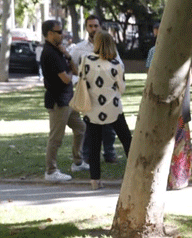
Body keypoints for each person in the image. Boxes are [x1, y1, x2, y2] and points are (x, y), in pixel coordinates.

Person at [79, 31, 132, 190]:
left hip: (92, 108)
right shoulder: (116, 64)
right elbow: (121, 88)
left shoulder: (86, 60)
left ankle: (95, 180)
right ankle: (134, 174)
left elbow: (82, 80)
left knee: (94, 144)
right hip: (113, 108)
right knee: (127, 140)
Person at [145, 21, 192, 190]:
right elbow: (190, 78)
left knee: (161, 140)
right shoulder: (182, 49)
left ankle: (163, 179)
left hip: (162, 102)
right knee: (180, 140)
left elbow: (150, 77)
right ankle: (178, 178)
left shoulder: (154, 51)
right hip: (179, 101)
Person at [39, 19, 87, 181]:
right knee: (56, 138)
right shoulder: (50, 53)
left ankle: (78, 162)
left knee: (81, 128)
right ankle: (51, 171)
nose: (63, 34)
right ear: (50, 34)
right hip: (58, 101)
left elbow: (75, 70)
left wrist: (67, 55)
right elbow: (66, 78)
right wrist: (71, 71)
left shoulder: (58, 51)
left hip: (68, 100)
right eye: (59, 32)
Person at [69, 15, 120, 164]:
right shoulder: (79, 49)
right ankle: (87, 155)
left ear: (100, 27)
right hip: (89, 93)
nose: (93, 29)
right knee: (89, 124)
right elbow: (71, 67)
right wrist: (78, 81)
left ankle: (109, 153)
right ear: (86, 28)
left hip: (107, 92)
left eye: (96, 26)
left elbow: (119, 65)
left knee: (109, 124)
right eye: (90, 26)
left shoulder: (110, 46)